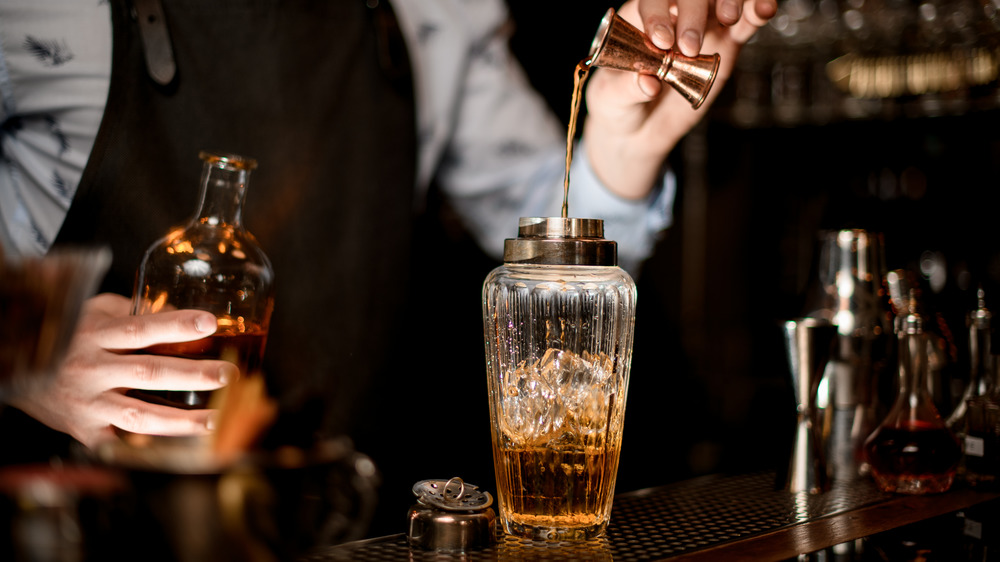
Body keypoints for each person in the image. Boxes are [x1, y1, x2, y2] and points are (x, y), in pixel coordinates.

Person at [0, 0, 775, 536]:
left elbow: (543, 226)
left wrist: (625, 137)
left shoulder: (432, 10)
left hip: (342, 533)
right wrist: (25, 339)